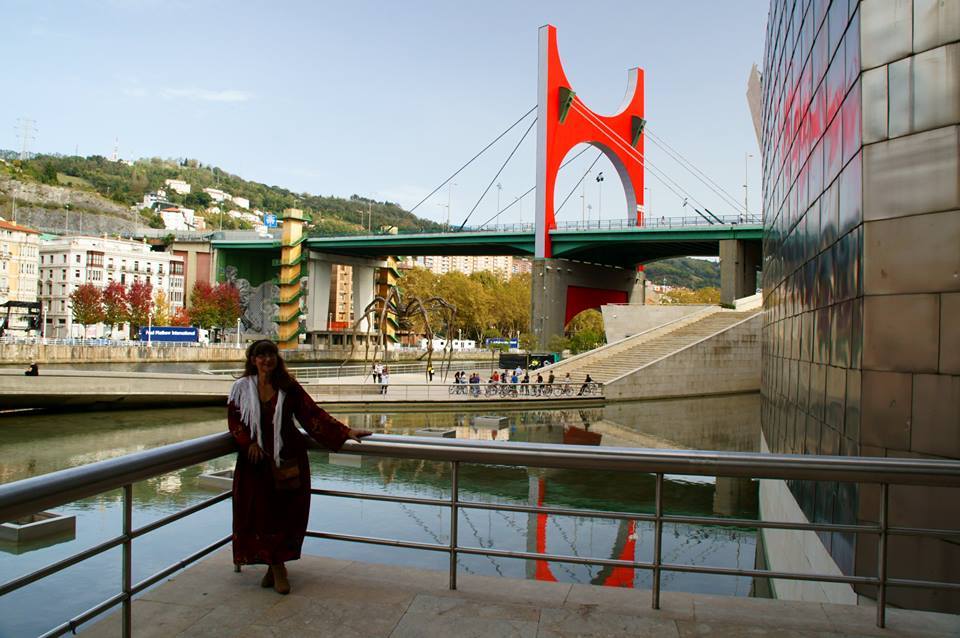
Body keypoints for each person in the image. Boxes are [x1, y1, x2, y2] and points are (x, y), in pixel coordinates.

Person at [227, 340, 371, 595]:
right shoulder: (240, 388)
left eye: (271, 354)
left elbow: (312, 415)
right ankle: (276, 566)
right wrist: (247, 442)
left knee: (285, 512)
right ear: (252, 360)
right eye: (261, 356)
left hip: (287, 458)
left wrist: (345, 431)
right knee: (258, 513)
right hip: (255, 463)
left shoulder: (288, 387)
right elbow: (235, 421)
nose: (266, 360)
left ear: (277, 358)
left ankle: (276, 566)